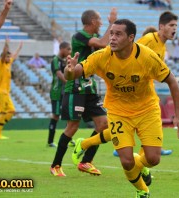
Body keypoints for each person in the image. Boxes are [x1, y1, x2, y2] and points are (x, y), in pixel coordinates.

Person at [66, 18, 179, 198]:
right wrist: (69, 70)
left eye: (118, 34)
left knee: (153, 159)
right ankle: (142, 190)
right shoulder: (102, 56)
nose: (112, 38)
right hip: (118, 111)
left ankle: (139, 163)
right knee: (127, 162)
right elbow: (74, 73)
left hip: (147, 110)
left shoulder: (146, 56)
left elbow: (172, 81)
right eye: (111, 33)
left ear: (131, 38)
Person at [73, 11, 179, 161]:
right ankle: (120, 149)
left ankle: (87, 144)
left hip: (142, 92)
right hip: (124, 95)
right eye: (171, 25)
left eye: (176, 25)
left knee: (147, 143)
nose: (174, 28)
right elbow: (130, 55)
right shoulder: (149, 40)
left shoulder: (162, 46)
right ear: (161, 27)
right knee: (124, 130)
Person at [50, 8, 117, 177]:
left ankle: (86, 161)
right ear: (93, 22)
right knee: (72, 127)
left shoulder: (92, 40)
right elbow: (103, 43)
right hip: (75, 87)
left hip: (90, 87)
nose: (101, 23)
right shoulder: (79, 36)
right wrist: (111, 24)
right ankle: (56, 165)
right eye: (100, 20)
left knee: (103, 124)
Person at [0, 37, 23, 139]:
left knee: (12, 111)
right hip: (0, 92)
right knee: (3, 113)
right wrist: (6, 44)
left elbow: (13, 56)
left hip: (6, 93)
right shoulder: (0, 64)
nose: (9, 58)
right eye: (7, 56)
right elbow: (4, 53)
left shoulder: (8, 64)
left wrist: (19, 47)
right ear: (3, 57)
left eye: (9, 56)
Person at [47, 41, 71, 147]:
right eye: (68, 49)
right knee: (56, 116)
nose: (69, 51)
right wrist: (69, 82)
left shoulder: (65, 61)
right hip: (56, 92)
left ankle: (68, 139)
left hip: (65, 92)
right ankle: (50, 141)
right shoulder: (55, 60)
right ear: (62, 49)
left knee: (68, 115)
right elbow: (59, 74)